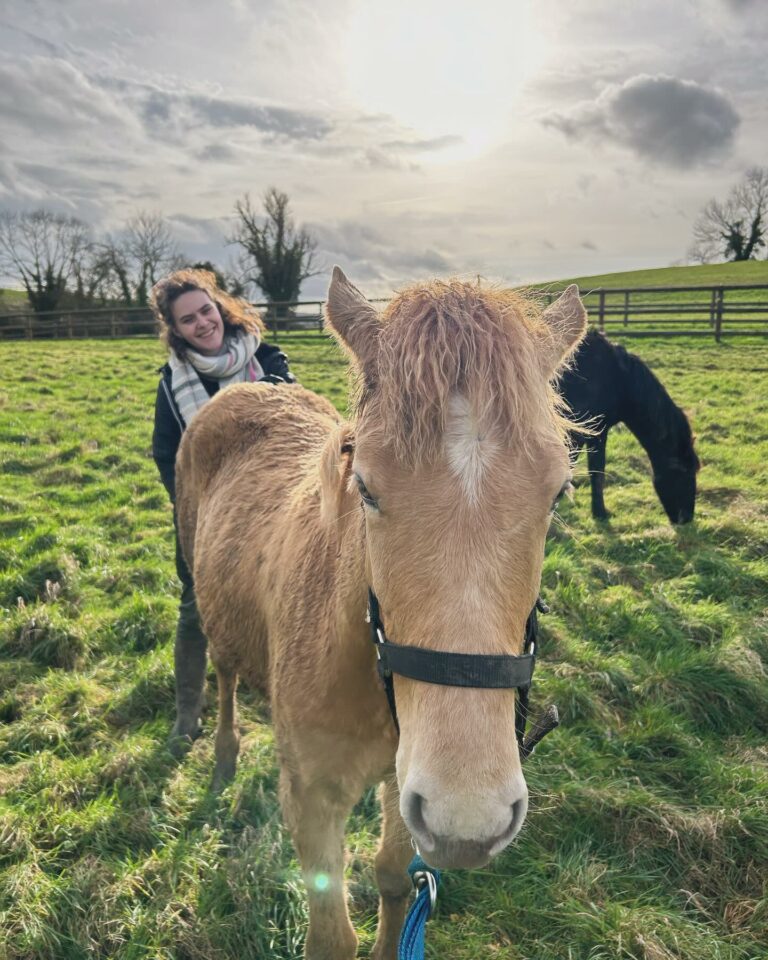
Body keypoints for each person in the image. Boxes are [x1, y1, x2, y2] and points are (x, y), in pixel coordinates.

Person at [151, 268, 295, 753]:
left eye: (206, 310)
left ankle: (295, 700)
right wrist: (197, 505)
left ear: (221, 307)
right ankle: (187, 713)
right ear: (176, 329)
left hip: (272, 513)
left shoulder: (268, 361)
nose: (202, 323)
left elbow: (294, 428)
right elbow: (163, 450)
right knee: (195, 609)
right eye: (188, 319)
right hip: (207, 519)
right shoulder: (173, 384)